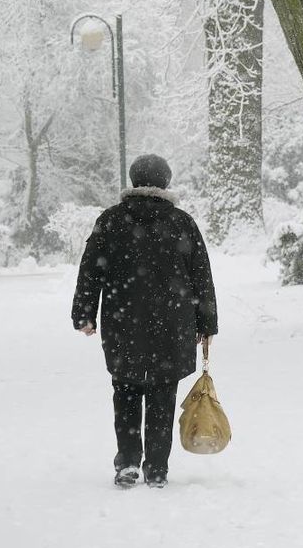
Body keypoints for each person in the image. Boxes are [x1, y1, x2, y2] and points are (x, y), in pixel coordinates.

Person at [71, 153, 218, 488]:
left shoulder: (110, 220)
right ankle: (156, 468)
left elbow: (90, 271)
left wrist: (84, 313)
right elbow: (201, 277)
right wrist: (206, 323)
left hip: (123, 323)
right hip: (172, 325)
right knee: (162, 397)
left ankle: (126, 463)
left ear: (133, 180)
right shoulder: (182, 223)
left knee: (124, 392)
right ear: (165, 181)